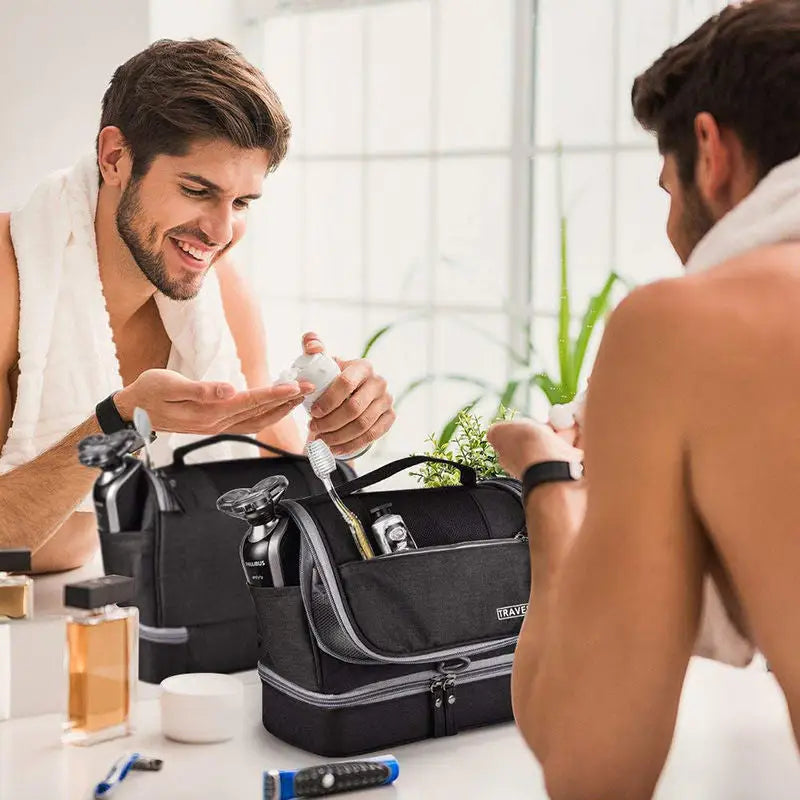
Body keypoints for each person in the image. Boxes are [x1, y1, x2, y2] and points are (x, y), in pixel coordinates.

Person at [487, 1, 800, 797]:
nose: (671, 227)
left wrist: (550, 479)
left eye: (668, 191)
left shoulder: (688, 327)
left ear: (710, 148)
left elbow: (592, 765)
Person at [0, 39, 395, 573]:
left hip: (116, 604)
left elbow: (272, 473)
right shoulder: (11, 279)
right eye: (196, 190)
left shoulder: (218, 293)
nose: (221, 231)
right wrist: (120, 425)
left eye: (241, 203)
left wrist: (341, 428)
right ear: (115, 157)